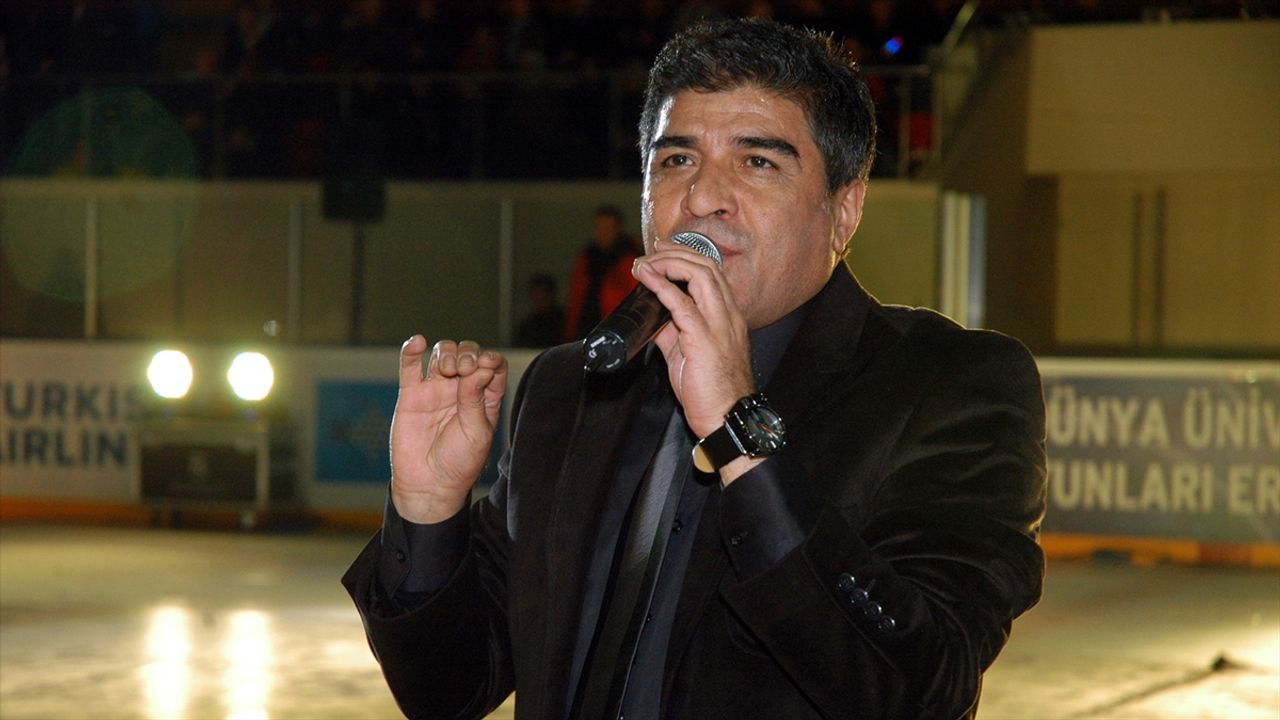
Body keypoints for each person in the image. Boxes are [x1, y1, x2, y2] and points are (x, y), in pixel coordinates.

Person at [343, 18, 1046, 720]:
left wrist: (741, 432)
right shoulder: (570, 389)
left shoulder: (951, 385)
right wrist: (428, 508)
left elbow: (921, 690)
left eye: (757, 161)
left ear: (844, 210)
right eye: (676, 159)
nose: (703, 197)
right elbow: (447, 691)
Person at [563, 205, 642, 341]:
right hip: (587, 327)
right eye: (599, 228)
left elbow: (634, 299)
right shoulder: (587, 258)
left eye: (608, 228)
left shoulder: (630, 259)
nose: (603, 233)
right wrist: (570, 331)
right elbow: (576, 297)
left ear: (618, 229)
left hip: (617, 329)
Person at [514, 273, 566, 348]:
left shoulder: (564, 323)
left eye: (545, 293)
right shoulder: (527, 326)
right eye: (537, 293)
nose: (541, 297)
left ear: (552, 294)